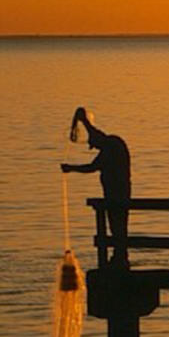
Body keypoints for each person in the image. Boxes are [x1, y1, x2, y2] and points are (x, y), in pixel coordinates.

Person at [61, 107, 131, 266]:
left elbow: (92, 167)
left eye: (93, 145)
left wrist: (70, 168)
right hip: (113, 193)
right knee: (116, 227)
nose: (94, 148)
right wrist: (84, 121)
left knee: (118, 226)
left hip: (118, 194)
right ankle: (119, 257)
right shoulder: (111, 144)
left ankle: (121, 258)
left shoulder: (111, 146)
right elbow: (94, 133)